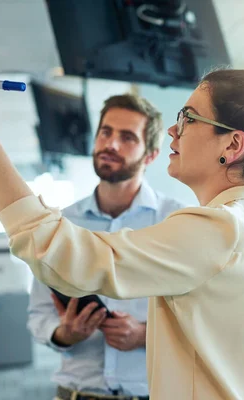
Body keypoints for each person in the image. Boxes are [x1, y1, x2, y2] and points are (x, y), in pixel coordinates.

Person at [0, 52, 244, 399]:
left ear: (232, 146)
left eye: (188, 118)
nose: (176, 129)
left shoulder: (218, 230)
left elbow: (57, 254)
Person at [27, 93, 185, 400]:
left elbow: (202, 319)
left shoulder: (176, 223)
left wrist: (145, 336)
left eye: (127, 137)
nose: (111, 144)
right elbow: (38, 313)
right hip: (77, 393)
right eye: (106, 132)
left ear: (151, 155)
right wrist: (64, 334)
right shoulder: (63, 225)